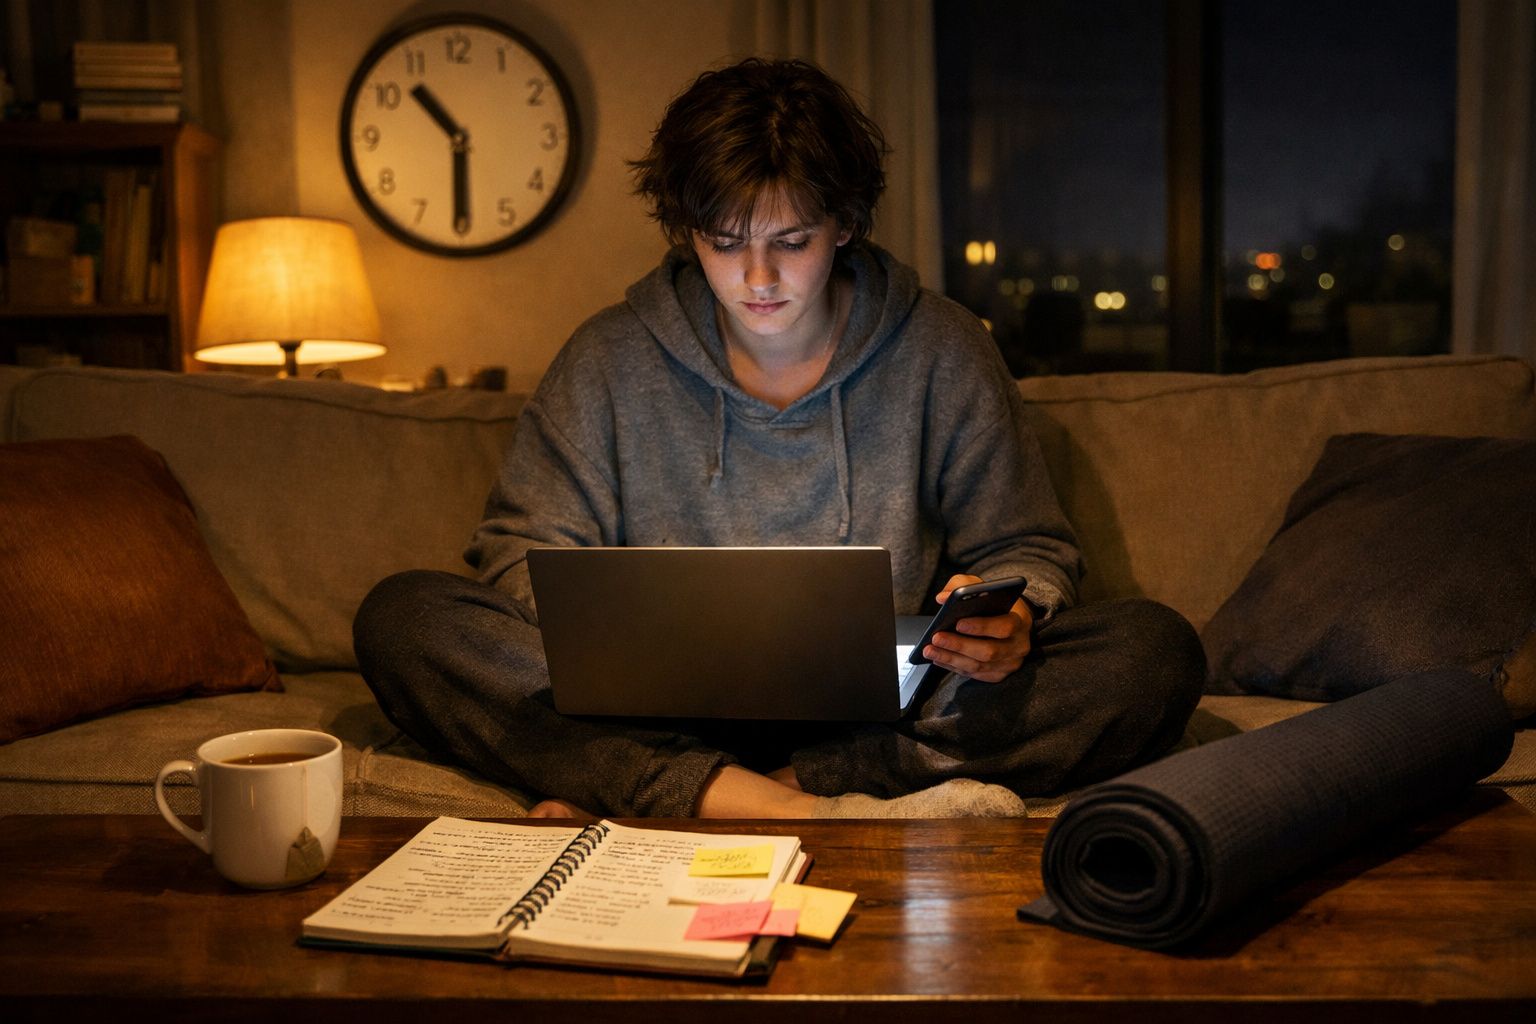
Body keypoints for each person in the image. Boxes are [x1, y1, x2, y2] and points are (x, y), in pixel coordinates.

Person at [354, 57, 1205, 819]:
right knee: (404, 619)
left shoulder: (941, 348)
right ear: (687, 231)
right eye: (724, 244)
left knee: (1150, 653)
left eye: (790, 242)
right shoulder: (610, 356)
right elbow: (519, 550)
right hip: (648, 710)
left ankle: (751, 788)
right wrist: (618, 641)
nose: (757, 279)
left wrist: (1013, 612)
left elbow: (1027, 544)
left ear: (844, 224)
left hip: (883, 712)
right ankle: (744, 788)